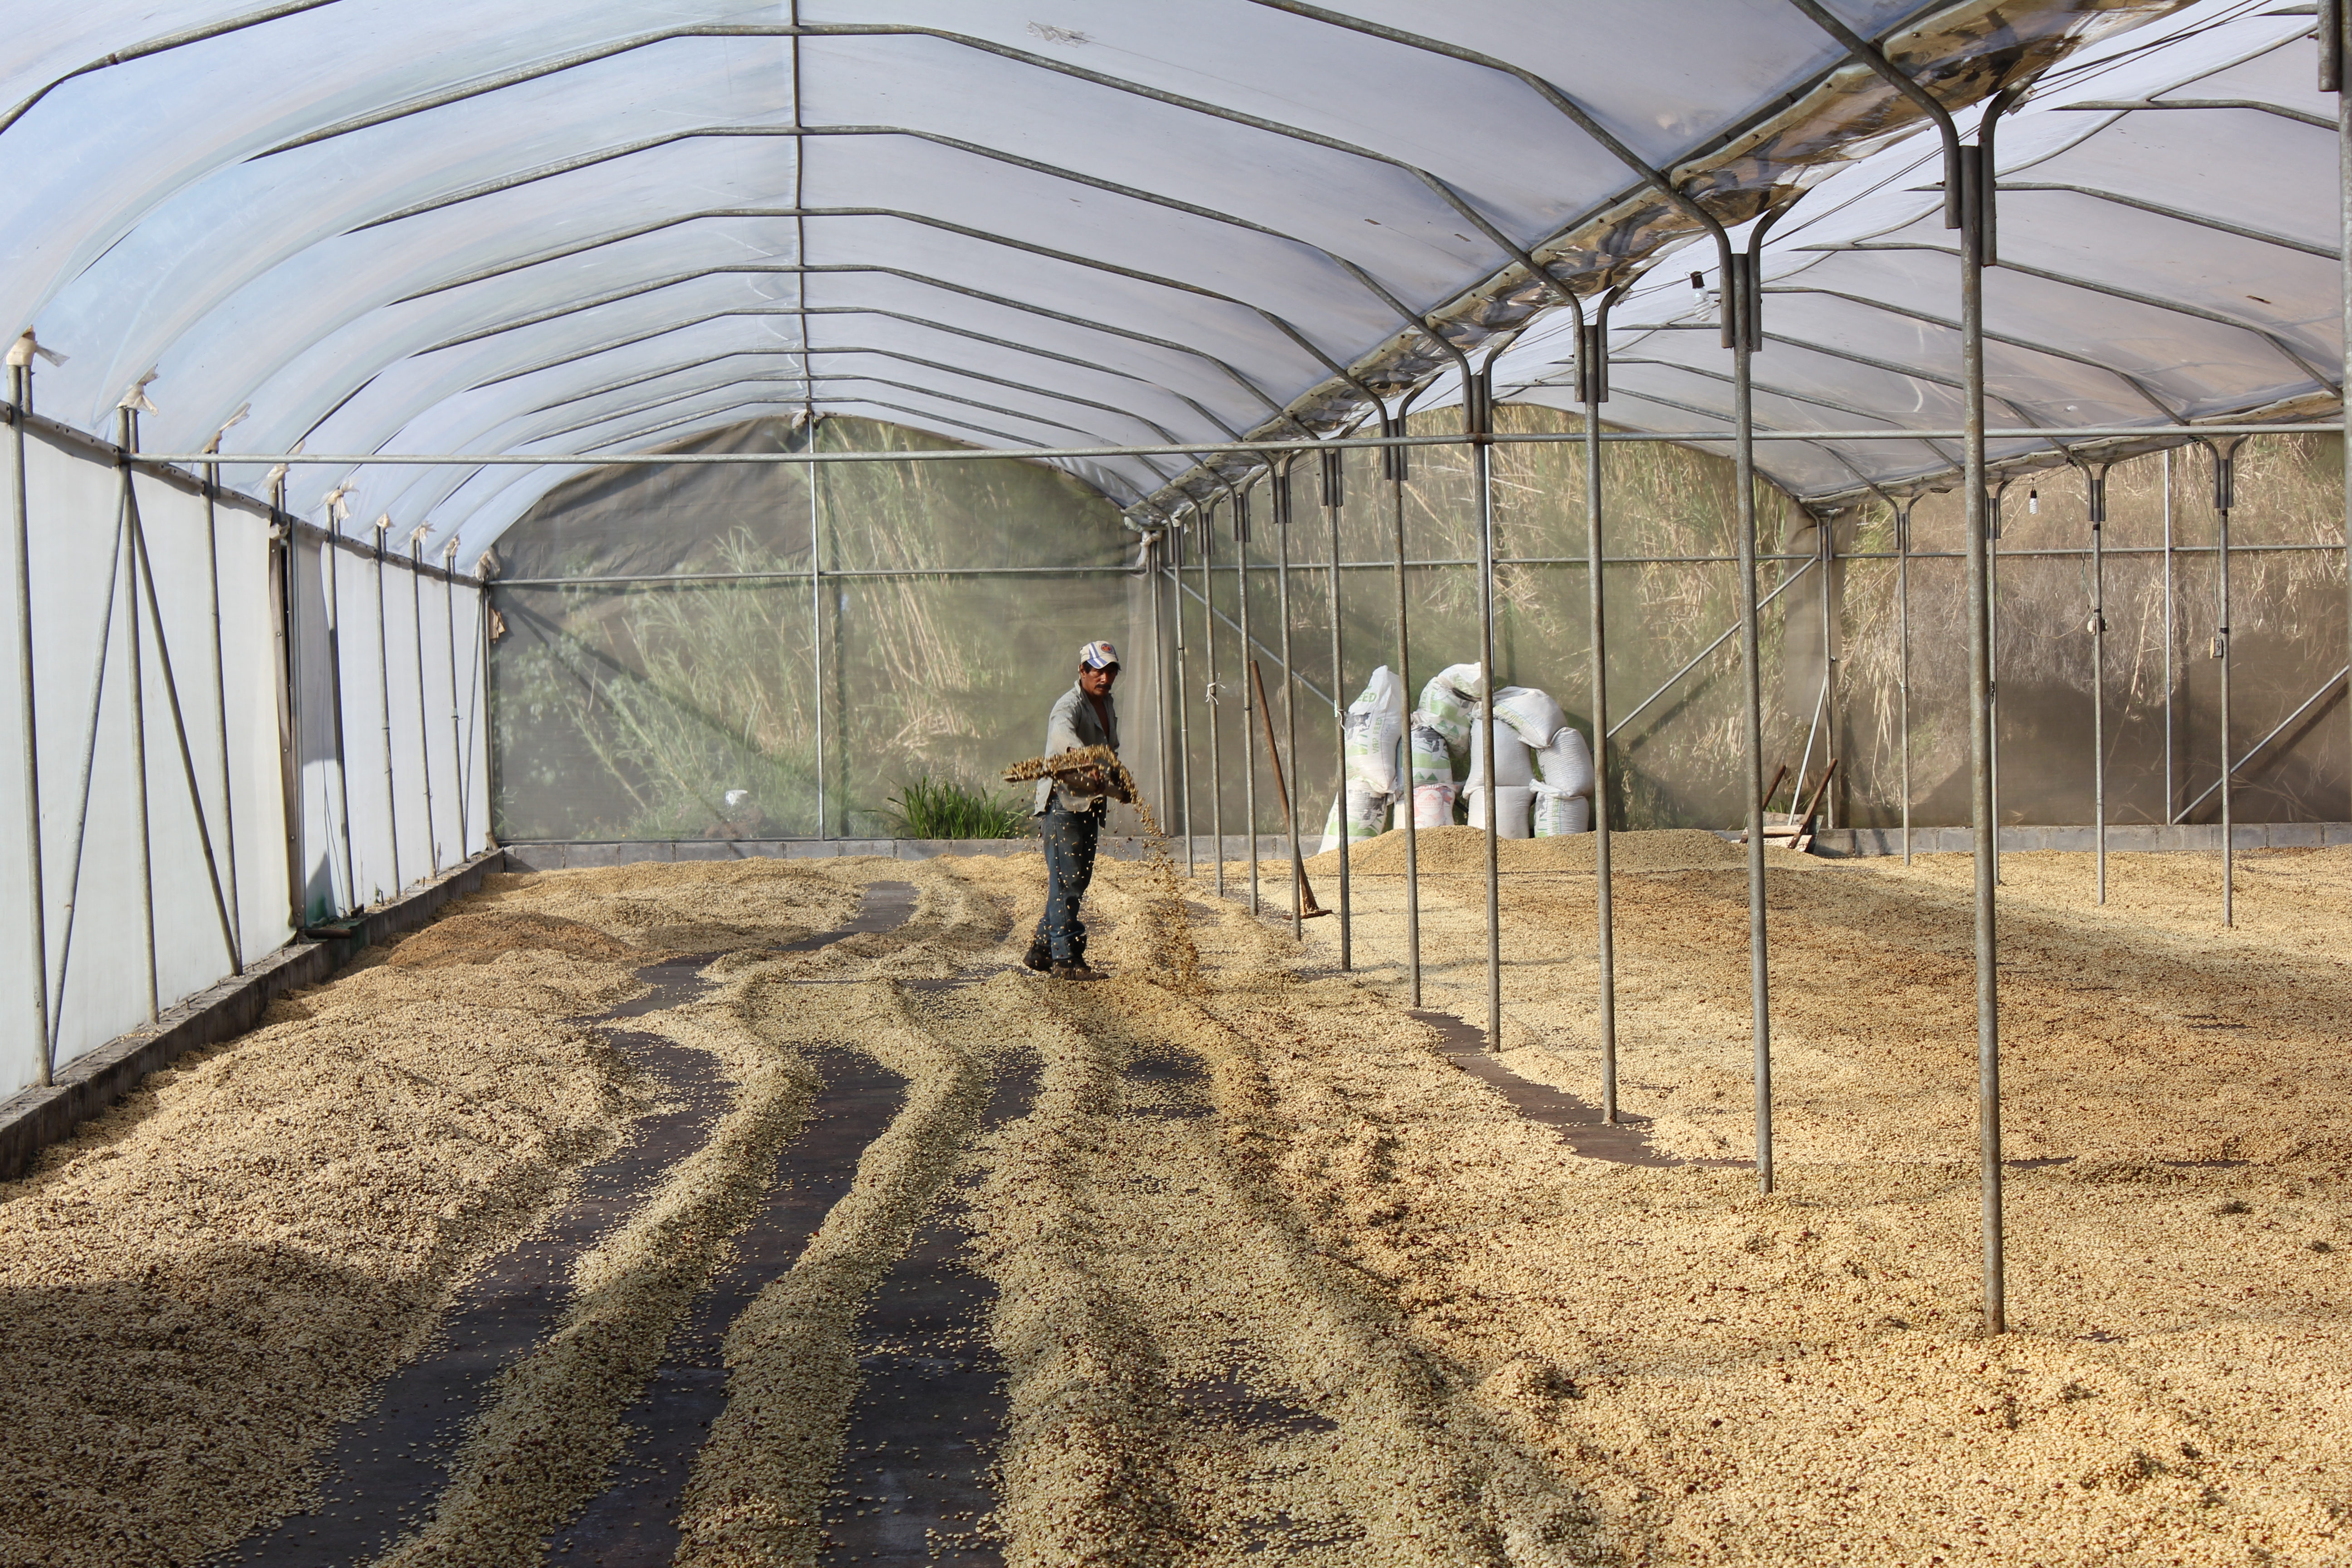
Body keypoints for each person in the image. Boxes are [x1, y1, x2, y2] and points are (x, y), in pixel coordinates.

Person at [1025, 640, 1122, 979]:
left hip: (1089, 802)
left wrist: (1115, 778)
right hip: (1062, 802)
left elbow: (1110, 751)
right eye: (1098, 670)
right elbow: (1061, 735)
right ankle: (1066, 959)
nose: (1105, 677)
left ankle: (1041, 949)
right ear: (1082, 670)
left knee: (1076, 881)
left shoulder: (1106, 705)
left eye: (1110, 671)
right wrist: (1085, 760)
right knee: (1066, 881)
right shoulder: (1068, 705)